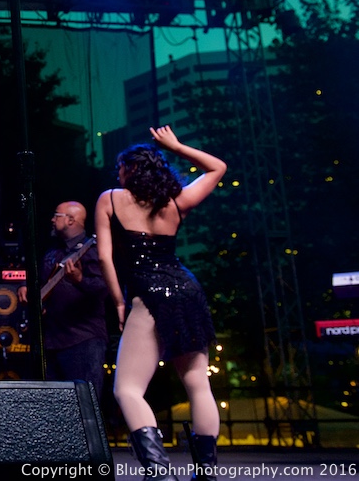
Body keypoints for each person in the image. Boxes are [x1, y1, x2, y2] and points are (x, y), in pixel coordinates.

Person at [95, 125, 226, 481]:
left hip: (149, 294)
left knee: (128, 389)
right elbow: (218, 167)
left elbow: (105, 258)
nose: (117, 174)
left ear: (129, 170)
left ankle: (160, 471)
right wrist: (177, 146)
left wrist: (120, 302)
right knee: (198, 381)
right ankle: (207, 473)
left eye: (121, 168)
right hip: (188, 288)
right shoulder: (176, 202)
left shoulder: (110, 198)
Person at [18, 201, 108, 402]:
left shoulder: (92, 250)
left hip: (83, 340)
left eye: (56, 216)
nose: (51, 219)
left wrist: (80, 280)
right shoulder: (52, 252)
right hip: (51, 341)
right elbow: (41, 284)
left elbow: (104, 289)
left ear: (70, 220)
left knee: (85, 405)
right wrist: (27, 289)